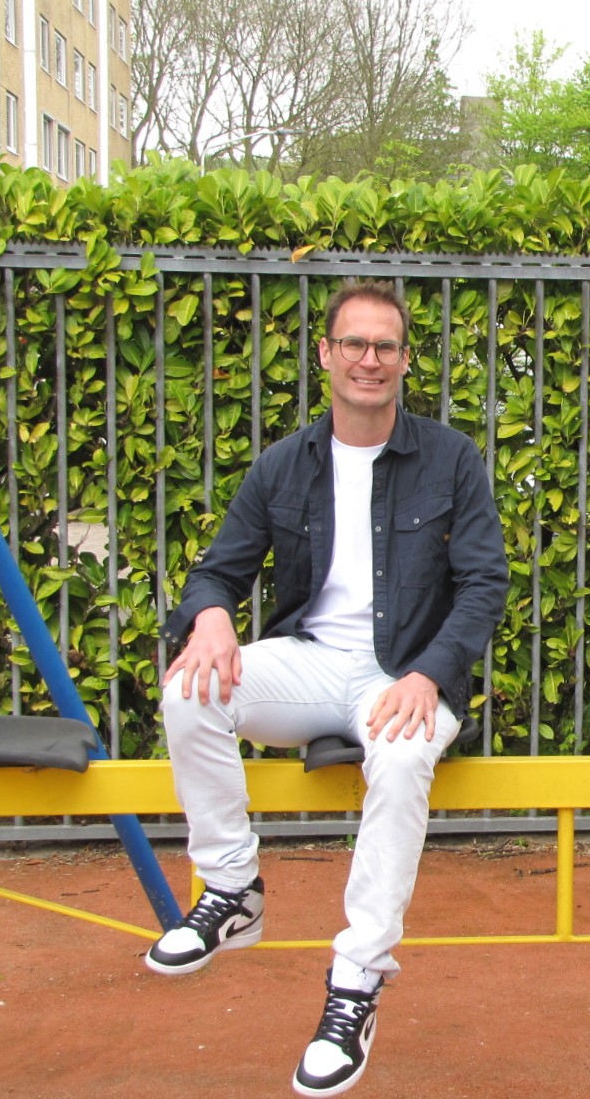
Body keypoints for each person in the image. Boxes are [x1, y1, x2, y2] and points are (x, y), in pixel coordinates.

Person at [147, 280, 509, 1096]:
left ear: (405, 360)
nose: (369, 360)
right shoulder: (286, 464)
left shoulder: (450, 458)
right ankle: (231, 888)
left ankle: (357, 980)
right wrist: (208, 618)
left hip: (407, 671)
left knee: (405, 755)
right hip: (314, 660)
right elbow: (216, 571)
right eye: (354, 344)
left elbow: (485, 583)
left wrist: (429, 676)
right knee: (190, 690)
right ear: (325, 356)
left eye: (385, 346)